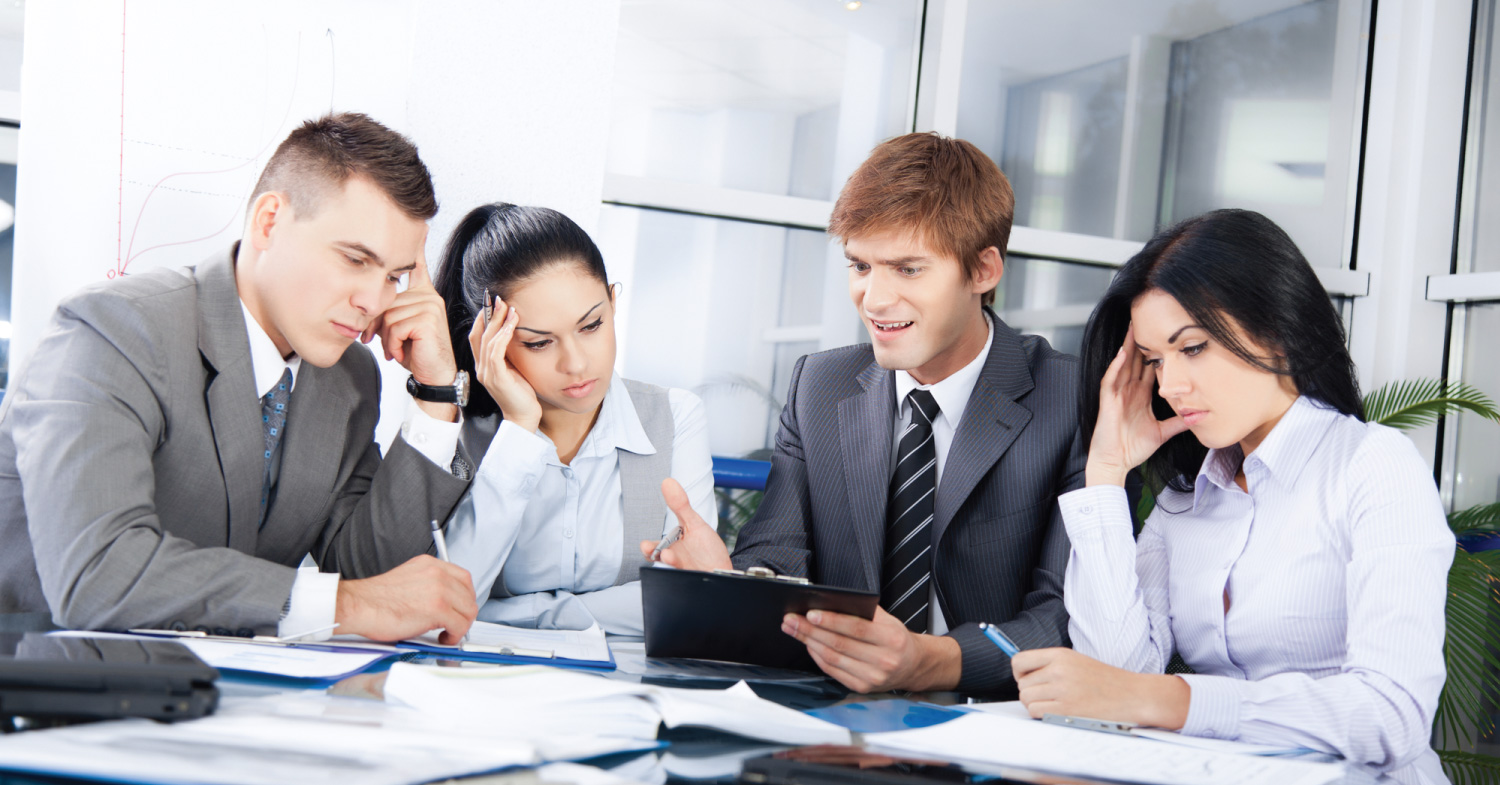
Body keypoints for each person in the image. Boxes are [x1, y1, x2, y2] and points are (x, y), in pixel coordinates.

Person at [0, 113, 479, 644]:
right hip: (40, 672)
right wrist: (349, 603)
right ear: (268, 223)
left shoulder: (348, 377)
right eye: (354, 259)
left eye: (394, 277)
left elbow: (370, 577)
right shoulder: (115, 329)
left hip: (211, 683)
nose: (373, 301)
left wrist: (436, 393)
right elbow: (97, 572)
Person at [1012, 209, 1451, 785]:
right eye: (1154, 361)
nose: (1170, 386)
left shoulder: (1373, 466)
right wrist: (1107, 470)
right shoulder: (1185, 501)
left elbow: (1392, 716)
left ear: (1277, 326)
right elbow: (1114, 676)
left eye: (1192, 348)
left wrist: (1172, 700)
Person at [649, 132, 1086, 696]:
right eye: (860, 265)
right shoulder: (820, 385)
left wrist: (931, 662)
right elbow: (778, 553)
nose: (874, 299)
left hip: (993, 714)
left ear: (983, 270)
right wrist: (732, 584)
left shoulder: (1070, 399)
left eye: (908, 269)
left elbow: (1066, 614)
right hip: (837, 707)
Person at [433, 203, 716, 635]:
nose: (577, 363)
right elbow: (444, 605)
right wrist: (518, 428)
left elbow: (686, 600)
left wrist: (517, 614)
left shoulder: (675, 418)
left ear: (613, 303)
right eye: (539, 343)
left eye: (591, 325)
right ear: (491, 342)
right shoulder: (454, 427)